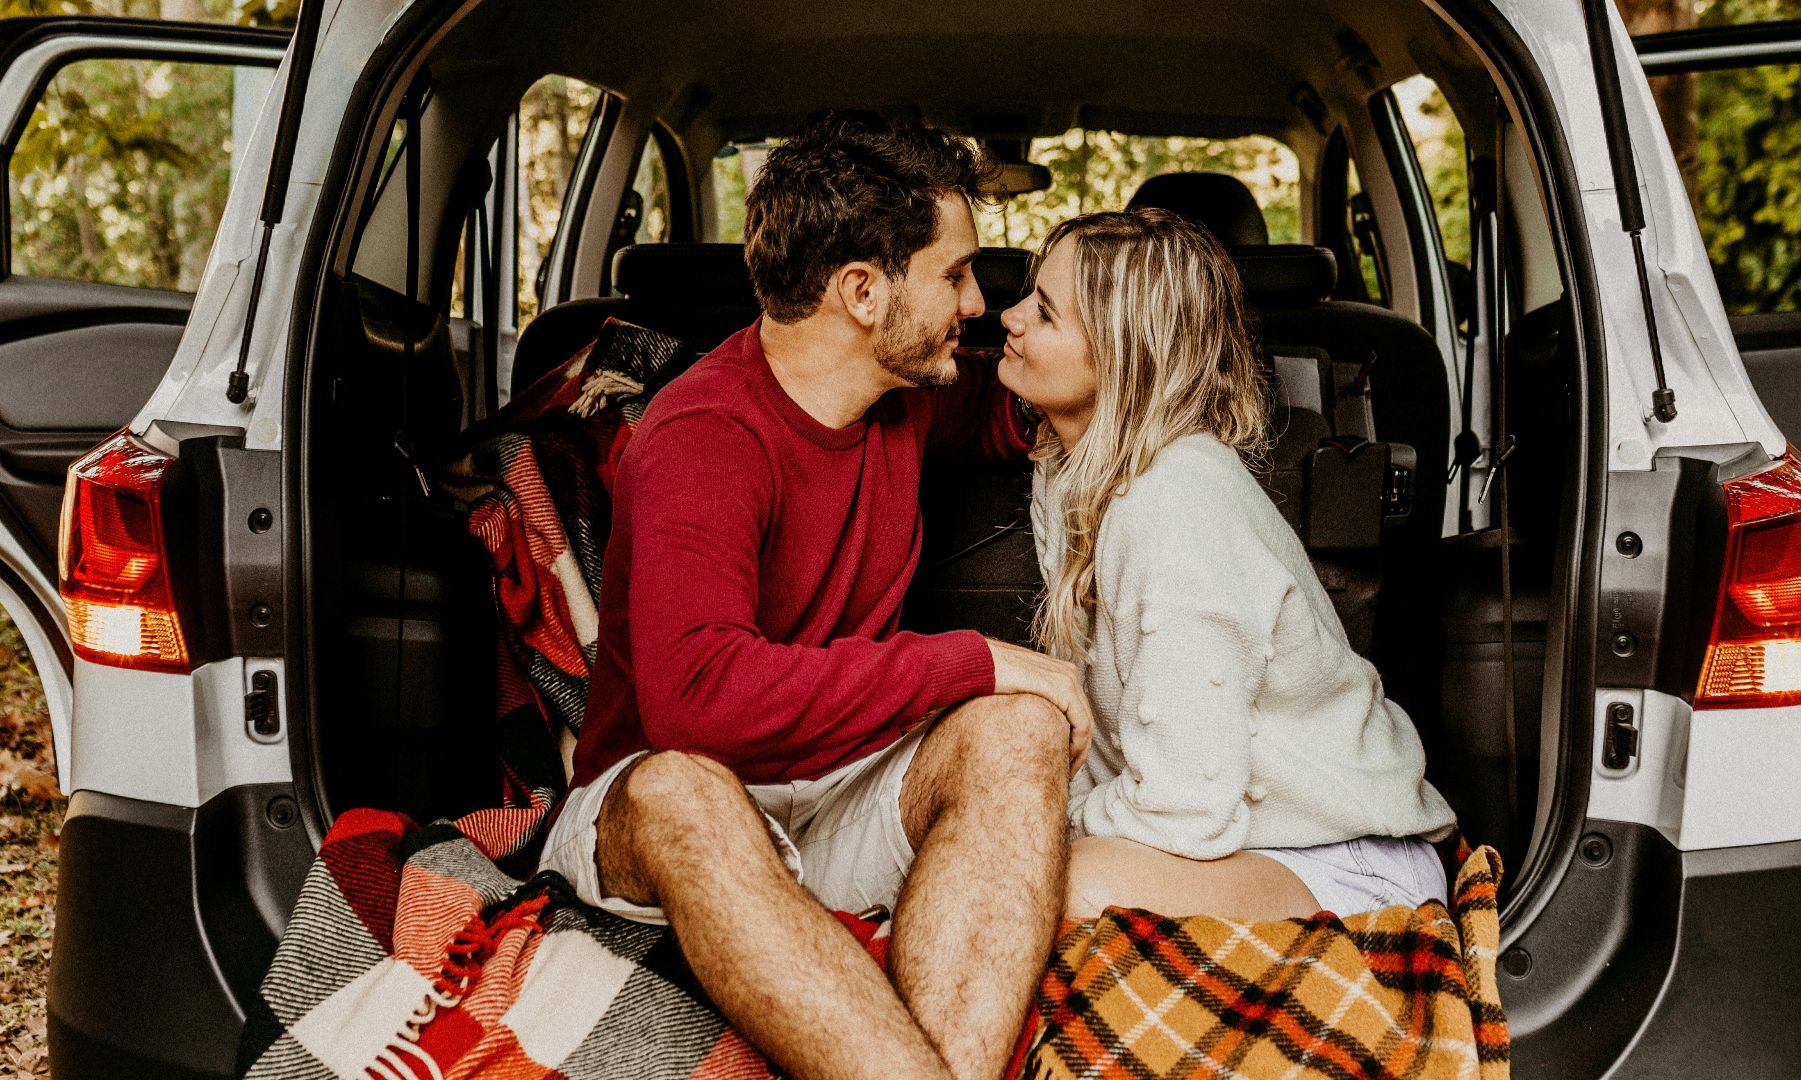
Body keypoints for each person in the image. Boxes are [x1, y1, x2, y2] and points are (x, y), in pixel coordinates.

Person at [535, 112, 1093, 1080]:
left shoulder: (910, 392)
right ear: (863, 292)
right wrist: (978, 656)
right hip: (673, 807)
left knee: (1022, 732)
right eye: (956, 274)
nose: (977, 304)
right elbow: (696, 702)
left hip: (837, 788)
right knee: (683, 790)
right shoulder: (702, 437)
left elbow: (1023, 407)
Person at [996, 208, 1458, 923]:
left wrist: (1032, 832)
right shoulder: (1070, 473)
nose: (1010, 317)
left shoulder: (1174, 506)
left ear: (1123, 354)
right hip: (1235, 840)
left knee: (1042, 893)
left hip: (1346, 856)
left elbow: (1184, 812)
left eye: (1045, 313)